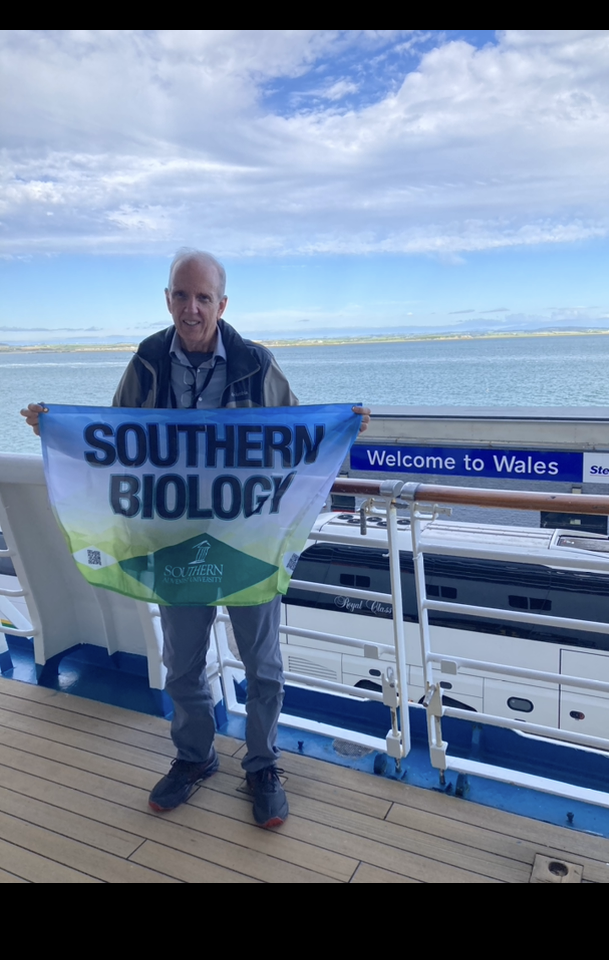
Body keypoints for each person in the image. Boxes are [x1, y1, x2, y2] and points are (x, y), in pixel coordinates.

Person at [22, 248, 370, 829]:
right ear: (168, 299)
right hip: (173, 542)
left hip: (249, 542)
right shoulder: (148, 360)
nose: (191, 308)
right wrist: (55, 427)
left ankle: (262, 765)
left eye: (203, 297)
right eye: (181, 296)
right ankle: (194, 756)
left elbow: (295, 433)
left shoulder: (256, 363)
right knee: (182, 664)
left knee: (263, 666)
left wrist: (342, 428)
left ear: (222, 304)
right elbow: (114, 436)